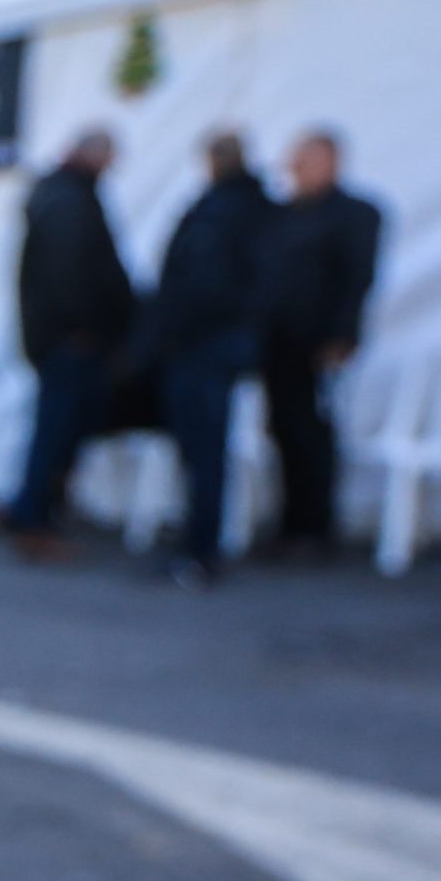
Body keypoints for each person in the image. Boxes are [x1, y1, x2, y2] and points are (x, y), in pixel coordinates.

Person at [1, 128, 133, 557]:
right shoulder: (69, 200)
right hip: (70, 339)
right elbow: (69, 272)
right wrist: (87, 326)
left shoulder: (61, 195)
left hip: (59, 335)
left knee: (56, 428)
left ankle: (31, 509)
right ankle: (34, 517)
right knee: (56, 430)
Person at [149, 130, 272, 586]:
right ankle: (198, 541)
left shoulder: (226, 210)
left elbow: (205, 282)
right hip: (213, 343)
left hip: (205, 345)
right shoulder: (244, 207)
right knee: (201, 449)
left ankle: (202, 547)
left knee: (205, 449)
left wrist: (174, 328)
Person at [259, 129, 384, 558]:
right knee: (283, 430)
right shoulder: (282, 213)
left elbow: (357, 279)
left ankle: (314, 527)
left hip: (317, 342)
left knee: (312, 433)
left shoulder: (354, 214)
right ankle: (292, 523)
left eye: (312, 158)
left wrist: (341, 336)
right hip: (278, 341)